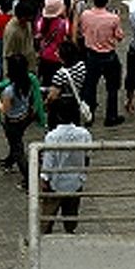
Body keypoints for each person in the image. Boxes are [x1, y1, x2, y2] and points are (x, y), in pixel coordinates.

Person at [40, 96, 92, 234]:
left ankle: (46, 237)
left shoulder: (52, 137)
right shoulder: (84, 134)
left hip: (56, 182)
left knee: (48, 214)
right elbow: (87, 156)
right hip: (75, 181)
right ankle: (70, 232)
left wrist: (44, 180)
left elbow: (48, 162)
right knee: (71, 213)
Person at [0, 54, 44, 190]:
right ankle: (8, 162)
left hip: (13, 122)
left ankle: (28, 179)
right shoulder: (29, 81)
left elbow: (4, 110)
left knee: (18, 148)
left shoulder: (9, 91)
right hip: (25, 117)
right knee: (15, 141)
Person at [80, 0, 125, 126]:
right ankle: (111, 116)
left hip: (91, 55)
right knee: (112, 87)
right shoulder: (113, 18)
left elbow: (83, 30)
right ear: (106, 1)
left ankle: (89, 114)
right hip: (108, 55)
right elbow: (119, 37)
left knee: (90, 86)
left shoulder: (85, 15)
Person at [46, 40, 87, 131]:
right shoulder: (81, 66)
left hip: (61, 107)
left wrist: (46, 102)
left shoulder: (60, 74)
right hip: (75, 101)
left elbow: (53, 96)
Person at [34, 0, 70, 88]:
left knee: (44, 80)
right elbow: (67, 33)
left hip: (44, 54)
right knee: (55, 82)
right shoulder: (63, 24)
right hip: (56, 57)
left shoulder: (41, 22)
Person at [3, 0, 37, 72]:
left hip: (30, 64)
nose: (31, 18)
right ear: (22, 17)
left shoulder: (27, 23)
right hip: (19, 69)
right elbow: (8, 54)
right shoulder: (12, 31)